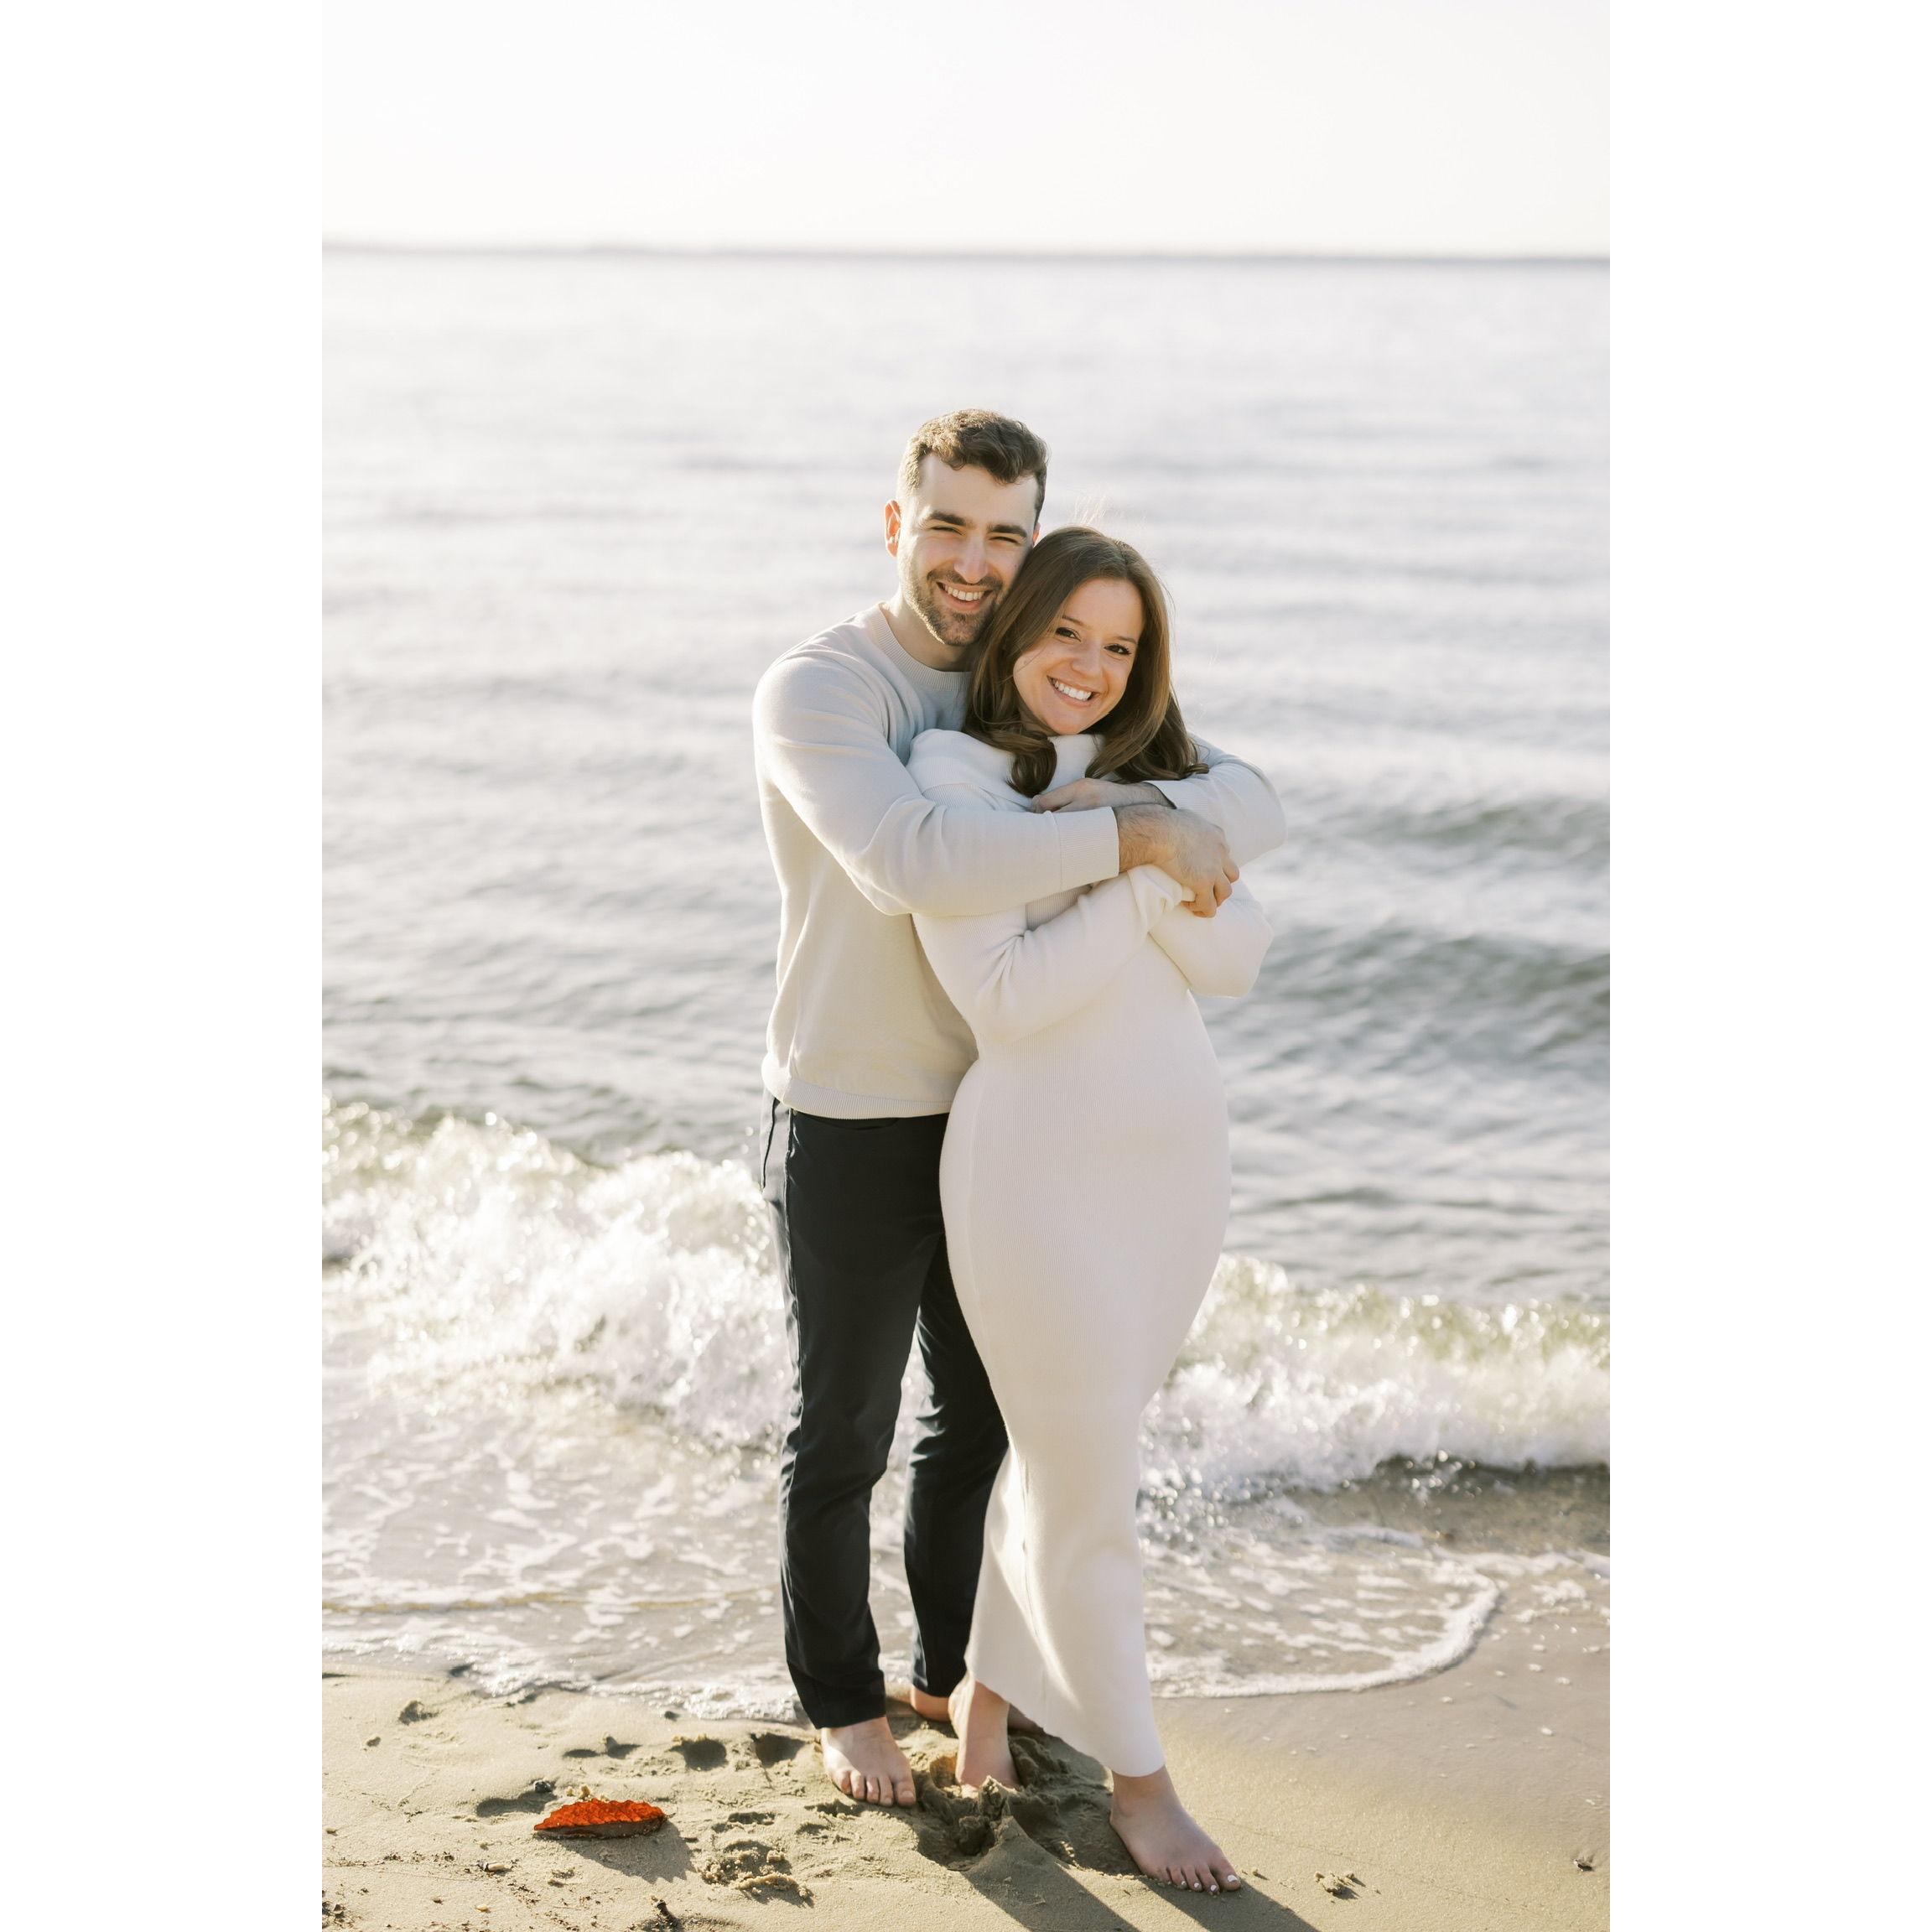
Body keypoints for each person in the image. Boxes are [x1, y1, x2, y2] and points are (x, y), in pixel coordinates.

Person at [751, 408, 1285, 1811]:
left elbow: (1240, 795)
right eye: (946, 525)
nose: (972, 560)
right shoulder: (824, 689)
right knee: (847, 1425)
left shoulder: (1028, 675)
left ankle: (951, 1675)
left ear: (1033, 542)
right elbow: (915, 859)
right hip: (856, 1101)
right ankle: (843, 1700)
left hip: (1010, 1122)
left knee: (984, 1427)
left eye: (1004, 533)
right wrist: (1140, 834)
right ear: (897, 525)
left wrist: (1152, 811)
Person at [906, 525, 1270, 1894]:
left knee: (1072, 1456)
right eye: (1067, 632)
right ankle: (1142, 1784)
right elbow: (1008, 1000)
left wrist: (1122, 833)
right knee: (1090, 1487)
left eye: (1120, 647)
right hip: (1034, 1180)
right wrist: (1140, 861)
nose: (1090, 667)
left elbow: (1239, 958)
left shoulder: (1145, 774)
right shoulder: (951, 779)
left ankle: (988, 1700)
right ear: (1019, 629)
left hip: (1173, 1169)